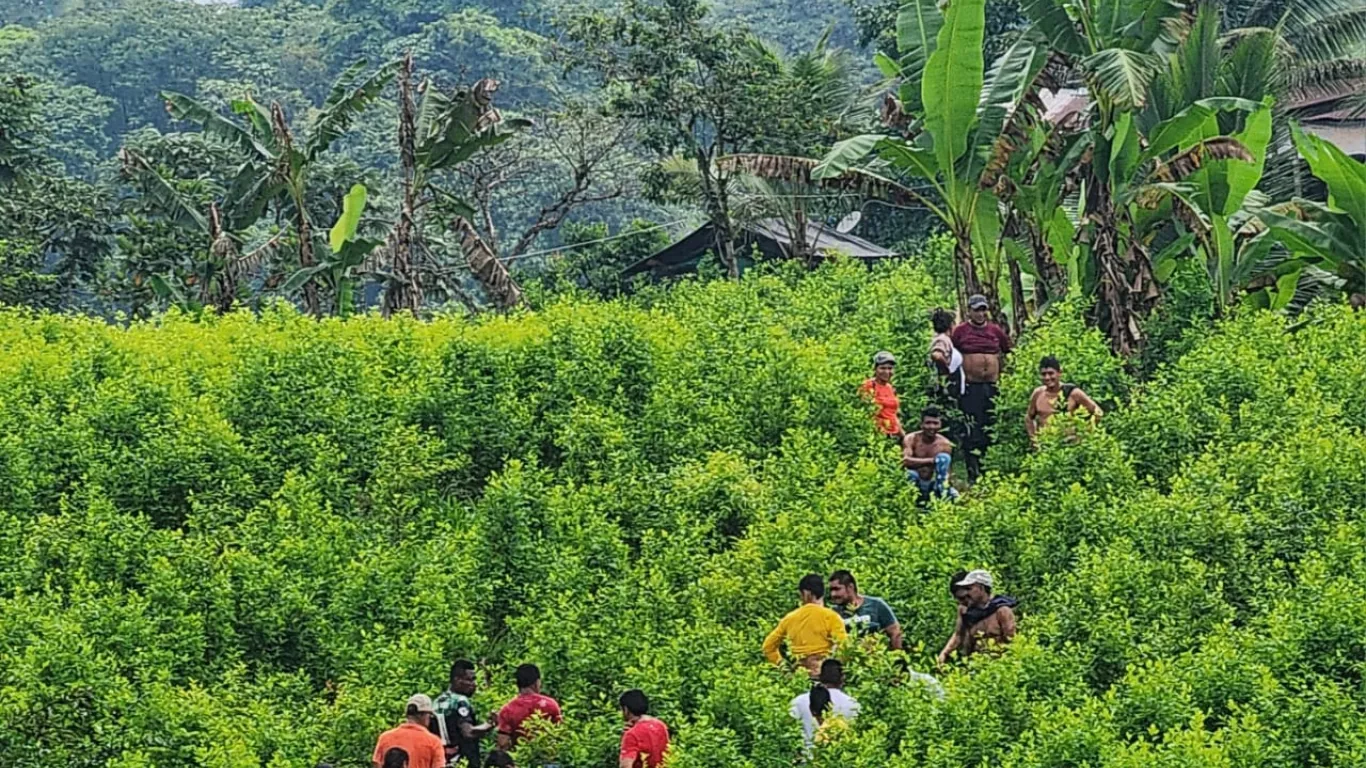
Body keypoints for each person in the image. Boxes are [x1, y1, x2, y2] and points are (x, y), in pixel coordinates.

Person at [951, 294, 1013, 480]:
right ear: (969, 310)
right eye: (976, 310)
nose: (980, 313)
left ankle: (989, 467)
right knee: (972, 428)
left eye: (983, 309)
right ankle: (972, 469)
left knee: (990, 426)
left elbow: (1008, 349)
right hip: (971, 387)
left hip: (992, 386)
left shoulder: (995, 330)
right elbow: (951, 353)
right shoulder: (961, 331)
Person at [762, 574, 849, 676]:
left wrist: (784, 668)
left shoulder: (790, 618)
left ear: (806, 593)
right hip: (824, 674)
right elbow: (844, 645)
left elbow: (768, 647)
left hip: (799, 675)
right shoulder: (831, 616)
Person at [937, 570, 1018, 666]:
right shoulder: (966, 610)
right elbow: (959, 635)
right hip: (974, 663)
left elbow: (1012, 642)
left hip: (998, 665)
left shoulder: (1002, 610)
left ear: (981, 588)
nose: (967, 593)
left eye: (969, 588)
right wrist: (944, 653)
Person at [432, 660, 498, 768]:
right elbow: (468, 732)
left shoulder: (437, 702)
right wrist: (489, 724)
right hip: (462, 761)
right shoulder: (460, 701)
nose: (474, 684)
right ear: (457, 680)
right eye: (470, 680)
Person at [1025, 355, 1104, 445]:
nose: (1047, 378)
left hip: (1068, 448)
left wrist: (1085, 433)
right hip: (1046, 447)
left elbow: (1098, 412)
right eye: (1044, 374)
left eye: (1051, 373)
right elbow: (1029, 417)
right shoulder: (1038, 393)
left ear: (1059, 373)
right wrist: (1034, 439)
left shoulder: (1073, 393)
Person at [788, 659, 860, 753]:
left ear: (820, 676)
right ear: (842, 678)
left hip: (806, 757)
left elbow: (789, 731)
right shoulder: (853, 704)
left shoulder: (799, 701)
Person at [826, 570, 903, 650]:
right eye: (831, 590)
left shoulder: (876, 605)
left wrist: (896, 657)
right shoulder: (832, 613)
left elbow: (895, 632)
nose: (833, 594)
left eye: (837, 589)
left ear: (850, 587)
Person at [497, 664, 563, 749]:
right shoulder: (550, 704)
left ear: (517, 684)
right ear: (537, 682)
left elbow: (503, 743)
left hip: (521, 758)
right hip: (549, 757)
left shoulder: (508, 709)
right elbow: (560, 734)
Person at [373, 694, 447, 768]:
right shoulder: (434, 742)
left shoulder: (385, 738)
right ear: (422, 715)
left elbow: (377, 765)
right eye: (429, 715)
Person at [903, 407, 958, 504]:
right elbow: (904, 461)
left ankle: (939, 500)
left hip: (933, 484)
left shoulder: (944, 444)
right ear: (921, 425)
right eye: (928, 423)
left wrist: (947, 485)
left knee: (944, 459)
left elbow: (947, 472)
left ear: (940, 425)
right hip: (915, 481)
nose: (932, 427)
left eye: (935, 423)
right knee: (910, 474)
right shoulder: (911, 439)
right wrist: (932, 461)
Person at [618, 689, 670, 768]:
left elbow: (625, 765)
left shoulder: (632, 734)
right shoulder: (661, 725)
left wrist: (626, 738)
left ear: (626, 709)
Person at [859, 351, 904, 440]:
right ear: (875, 369)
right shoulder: (869, 385)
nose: (887, 371)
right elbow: (864, 413)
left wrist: (903, 435)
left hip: (893, 434)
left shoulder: (890, 387)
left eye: (890, 368)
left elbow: (893, 414)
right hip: (877, 435)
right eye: (882, 368)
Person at [928, 308, 965, 402]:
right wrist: (947, 371)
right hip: (947, 386)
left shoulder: (943, 339)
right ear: (951, 325)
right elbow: (937, 355)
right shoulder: (943, 339)